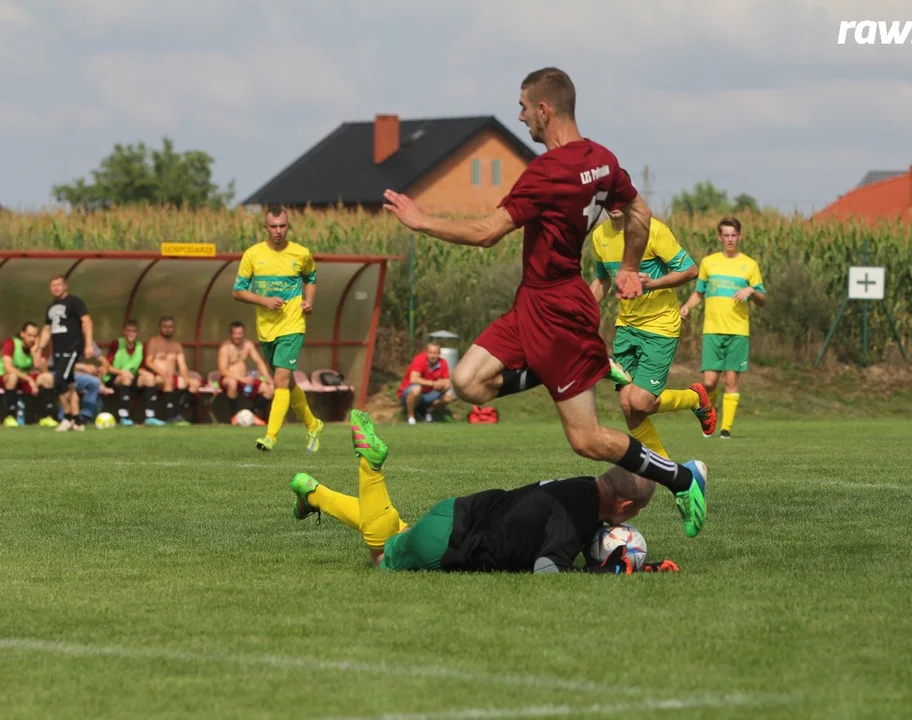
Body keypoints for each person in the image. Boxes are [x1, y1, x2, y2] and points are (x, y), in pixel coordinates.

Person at [383, 67, 707, 538]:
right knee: (469, 383)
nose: (519, 117)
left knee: (587, 440)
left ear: (544, 109)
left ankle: (683, 476)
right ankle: (572, 367)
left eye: (522, 107)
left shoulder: (547, 172)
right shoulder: (602, 159)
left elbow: (487, 232)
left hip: (559, 311)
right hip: (532, 303)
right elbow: (640, 212)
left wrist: (421, 221)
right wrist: (631, 266)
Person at [288, 410, 682, 574]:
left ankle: (312, 493)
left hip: (457, 513)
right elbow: (548, 569)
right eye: (637, 513)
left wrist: (636, 565)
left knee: (398, 529)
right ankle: (370, 466)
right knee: (380, 556)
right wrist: (607, 574)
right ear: (626, 505)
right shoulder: (578, 516)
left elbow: (563, 539)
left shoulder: (582, 489)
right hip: (451, 541)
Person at [590, 207, 717, 454]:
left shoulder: (653, 230)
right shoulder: (599, 236)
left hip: (660, 325)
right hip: (626, 328)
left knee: (640, 402)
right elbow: (602, 279)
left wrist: (653, 283)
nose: (615, 203)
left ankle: (694, 399)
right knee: (629, 408)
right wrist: (579, 310)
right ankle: (665, 469)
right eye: (609, 197)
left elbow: (690, 270)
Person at [232, 204, 324, 452]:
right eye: (273, 226)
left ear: (288, 226)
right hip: (266, 328)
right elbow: (238, 291)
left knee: (280, 380)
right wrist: (264, 301)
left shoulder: (301, 253)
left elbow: (311, 279)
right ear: (266, 227)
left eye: (282, 226)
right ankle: (313, 425)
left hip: (293, 325)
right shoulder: (252, 255)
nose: (278, 231)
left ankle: (270, 436)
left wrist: (309, 301)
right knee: (287, 381)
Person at [680, 217, 766, 438]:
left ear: (739, 236)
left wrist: (751, 291)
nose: (729, 239)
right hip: (712, 329)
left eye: (733, 234)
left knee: (731, 380)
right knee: (709, 382)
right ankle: (712, 411)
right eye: (725, 235)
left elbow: (763, 298)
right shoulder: (709, 262)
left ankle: (726, 429)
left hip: (738, 331)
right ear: (719, 237)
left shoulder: (749, 265)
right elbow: (699, 293)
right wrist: (687, 307)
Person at [35, 275, 94, 431]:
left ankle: (67, 417)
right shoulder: (50, 306)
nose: (55, 288)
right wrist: (40, 346)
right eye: (53, 285)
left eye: (58, 285)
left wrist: (88, 345)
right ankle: (77, 420)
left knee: (58, 380)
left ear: (65, 286)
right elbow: (47, 329)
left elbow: (87, 321)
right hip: (58, 350)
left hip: (72, 348)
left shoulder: (75, 302)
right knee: (69, 385)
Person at [2, 321, 58, 427]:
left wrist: (35, 351)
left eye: (35, 336)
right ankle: (9, 417)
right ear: (22, 334)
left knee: (48, 378)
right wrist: (29, 380)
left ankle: (46, 417)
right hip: (5, 377)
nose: (32, 339)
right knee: (12, 377)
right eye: (29, 335)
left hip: (23, 379)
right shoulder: (11, 343)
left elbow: (43, 369)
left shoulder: (35, 346)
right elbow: (8, 368)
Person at [217, 320, 274, 425]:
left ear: (243, 333)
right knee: (232, 382)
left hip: (245, 380)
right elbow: (223, 370)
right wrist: (241, 378)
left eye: (240, 334)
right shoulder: (225, 347)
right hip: (229, 379)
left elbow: (259, 362)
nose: (237, 336)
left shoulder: (248, 344)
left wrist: (268, 378)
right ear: (231, 334)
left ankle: (251, 415)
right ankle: (234, 417)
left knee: (270, 389)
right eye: (235, 334)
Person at [143, 316, 195, 426]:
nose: (168, 329)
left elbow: (182, 365)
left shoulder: (176, 345)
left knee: (195, 383)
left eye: (170, 327)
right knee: (167, 381)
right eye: (165, 327)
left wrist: (186, 378)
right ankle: (171, 417)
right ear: (160, 328)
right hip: (158, 376)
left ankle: (178, 415)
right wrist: (161, 372)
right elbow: (148, 362)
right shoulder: (154, 341)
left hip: (172, 376)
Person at [101, 319, 148, 426]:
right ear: (124, 331)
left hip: (132, 376)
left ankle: (150, 417)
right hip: (114, 377)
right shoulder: (117, 344)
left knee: (150, 379)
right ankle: (124, 416)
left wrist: (145, 373)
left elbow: (141, 367)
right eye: (129, 330)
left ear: (137, 333)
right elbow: (107, 366)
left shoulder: (141, 346)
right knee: (125, 379)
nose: (131, 333)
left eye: (134, 331)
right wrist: (121, 372)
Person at [397, 342, 454, 425]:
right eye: (430, 352)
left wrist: (442, 384)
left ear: (439, 353)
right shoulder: (419, 359)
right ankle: (410, 417)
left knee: (448, 396)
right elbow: (414, 379)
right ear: (426, 352)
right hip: (409, 392)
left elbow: (447, 382)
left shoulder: (443, 363)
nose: (432, 356)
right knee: (417, 389)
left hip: (429, 394)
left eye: (435, 353)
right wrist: (433, 383)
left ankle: (427, 411)